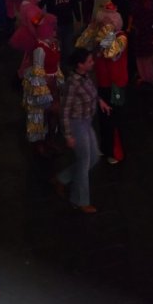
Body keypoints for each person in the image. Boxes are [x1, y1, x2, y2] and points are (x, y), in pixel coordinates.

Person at [55, 46, 109, 214]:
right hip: (76, 124)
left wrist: (99, 101)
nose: (92, 63)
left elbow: (91, 92)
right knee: (85, 161)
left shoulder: (85, 76)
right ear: (80, 64)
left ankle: (62, 178)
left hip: (86, 122)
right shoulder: (72, 84)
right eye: (89, 61)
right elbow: (64, 111)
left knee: (93, 158)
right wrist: (68, 135)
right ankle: (80, 200)